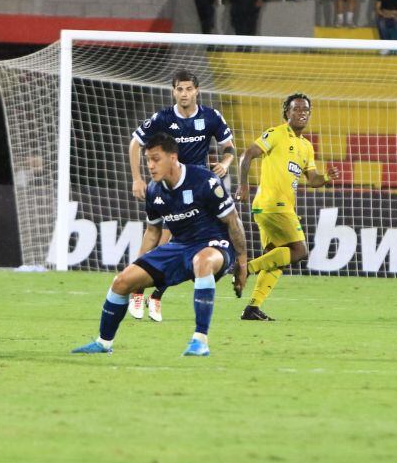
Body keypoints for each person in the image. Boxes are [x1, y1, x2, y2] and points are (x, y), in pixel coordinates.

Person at [73, 133, 248, 356]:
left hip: (215, 244)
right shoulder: (154, 191)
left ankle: (200, 341)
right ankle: (103, 342)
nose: (150, 166)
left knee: (202, 260)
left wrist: (242, 263)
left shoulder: (205, 181)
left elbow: (232, 221)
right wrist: (138, 265)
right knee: (121, 281)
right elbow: (153, 231)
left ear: (173, 157)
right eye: (147, 160)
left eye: (156, 159)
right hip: (179, 247)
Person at [127, 70, 236, 321]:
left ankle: (153, 295)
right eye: (179, 89)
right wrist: (137, 178)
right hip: (170, 188)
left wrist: (226, 163)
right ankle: (139, 290)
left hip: (199, 190)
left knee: (174, 245)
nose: (184, 94)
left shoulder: (211, 116)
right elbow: (136, 143)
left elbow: (229, 147)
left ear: (197, 90)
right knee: (156, 237)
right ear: (173, 91)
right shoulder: (163, 118)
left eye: (188, 89)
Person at [235, 94, 340, 320]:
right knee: (299, 251)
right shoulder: (276, 133)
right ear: (287, 112)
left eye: (306, 109)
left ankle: (252, 308)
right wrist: (243, 185)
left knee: (276, 258)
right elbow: (247, 155)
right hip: (273, 205)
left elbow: (312, 180)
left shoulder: (306, 147)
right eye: (296, 109)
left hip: (275, 209)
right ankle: (247, 268)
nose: (302, 112)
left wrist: (326, 178)